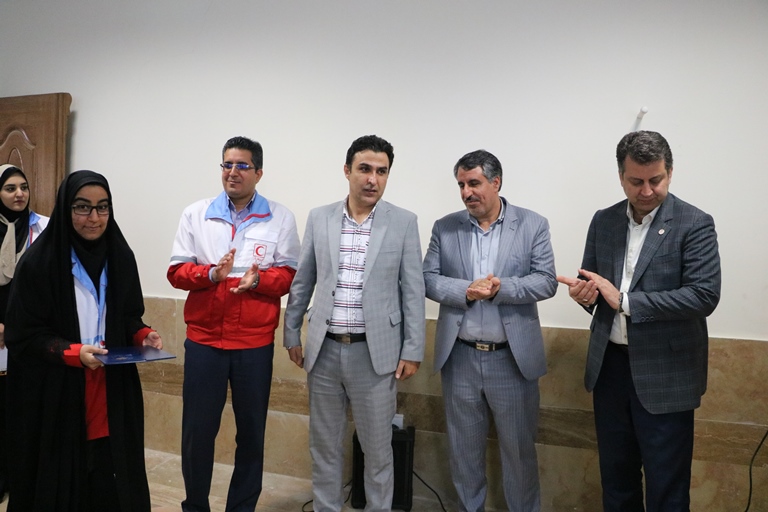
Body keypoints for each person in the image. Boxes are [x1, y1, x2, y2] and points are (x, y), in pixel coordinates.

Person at [556, 131, 721, 512]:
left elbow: (704, 295)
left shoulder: (694, 223)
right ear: (621, 177)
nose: (646, 191)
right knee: (617, 482)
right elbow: (596, 287)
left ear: (670, 173)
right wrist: (586, 296)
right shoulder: (604, 221)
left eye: (655, 180)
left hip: (666, 373)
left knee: (667, 488)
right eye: (636, 181)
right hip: (610, 369)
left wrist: (626, 301)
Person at [4, 170, 162, 512]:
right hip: (58, 393)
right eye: (82, 207)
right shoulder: (39, 263)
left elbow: (128, 315)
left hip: (110, 387)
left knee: (109, 475)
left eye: (102, 207)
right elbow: (23, 335)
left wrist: (141, 334)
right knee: (64, 479)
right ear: (65, 208)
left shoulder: (120, 256)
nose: (94, 218)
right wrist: (72, 352)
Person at [283, 135, 425, 512]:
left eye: (381, 171)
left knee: (377, 451)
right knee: (324, 447)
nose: (372, 179)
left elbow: (413, 290)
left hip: (375, 356)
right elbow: (304, 279)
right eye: (364, 169)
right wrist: (291, 331)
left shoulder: (404, 222)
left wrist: (413, 349)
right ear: (347, 171)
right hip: (324, 351)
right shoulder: (320, 217)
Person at [168, 136, 300, 512]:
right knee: (197, 433)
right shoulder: (196, 214)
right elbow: (176, 272)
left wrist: (258, 281)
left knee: (251, 434)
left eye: (242, 165)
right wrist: (211, 274)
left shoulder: (280, 217)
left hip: (253, 345)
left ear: (259, 172)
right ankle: (195, 505)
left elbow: (290, 275)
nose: (233, 172)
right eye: (227, 164)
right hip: (205, 342)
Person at [423, 149, 556, 512]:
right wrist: (465, 290)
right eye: (461, 185)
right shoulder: (445, 227)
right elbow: (428, 279)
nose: (467, 192)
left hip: (511, 360)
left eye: (474, 183)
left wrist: (502, 288)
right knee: (463, 453)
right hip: (460, 358)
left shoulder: (532, 224)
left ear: (496, 182)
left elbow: (546, 281)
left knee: (519, 454)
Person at [0, 164, 49, 499]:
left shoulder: (44, 228)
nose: (19, 194)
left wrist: (19, 324)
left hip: (29, 333)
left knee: (23, 410)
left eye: (24, 187)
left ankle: (23, 480)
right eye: (10, 188)